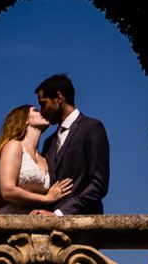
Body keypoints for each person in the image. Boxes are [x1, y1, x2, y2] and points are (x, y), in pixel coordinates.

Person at [35, 72, 109, 216]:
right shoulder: (48, 143)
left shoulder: (92, 128)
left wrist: (59, 215)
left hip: (84, 228)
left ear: (59, 98)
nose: (42, 112)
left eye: (43, 104)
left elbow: (98, 185)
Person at [0, 104, 74, 216]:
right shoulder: (14, 146)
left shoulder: (44, 158)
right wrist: (46, 198)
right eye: (35, 110)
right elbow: (8, 190)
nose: (42, 112)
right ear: (24, 120)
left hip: (36, 220)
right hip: (11, 219)